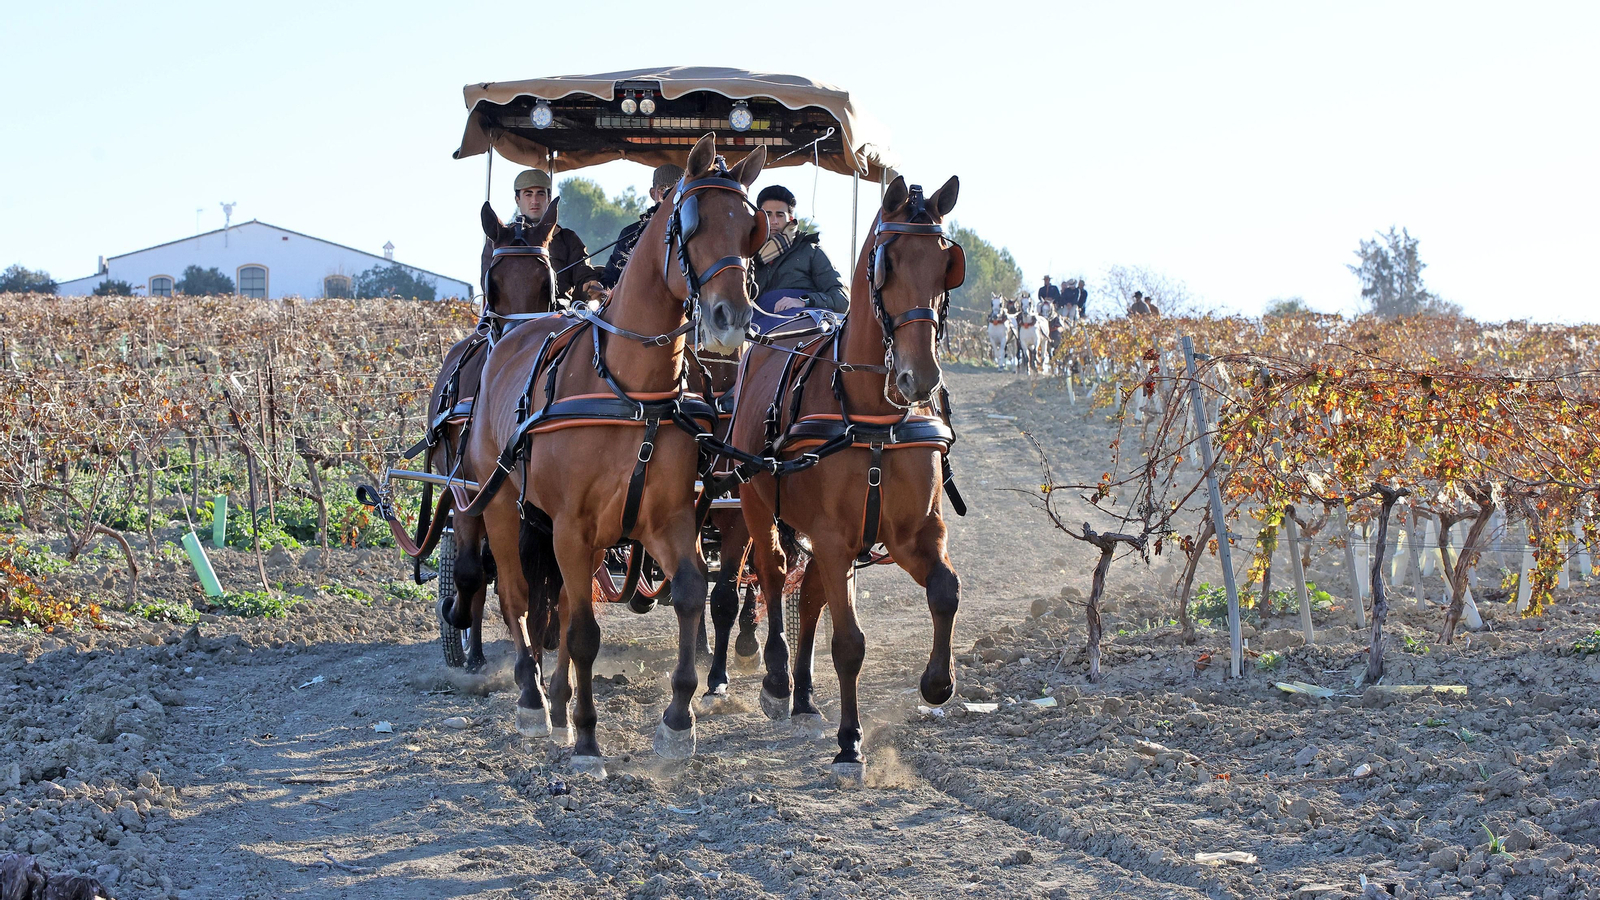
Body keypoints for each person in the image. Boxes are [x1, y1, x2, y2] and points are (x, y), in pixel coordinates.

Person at [481, 169, 603, 305]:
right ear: (517, 200)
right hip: (508, 315)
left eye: (540, 194)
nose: (534, 201)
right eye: (528, 194)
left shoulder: (566, 238)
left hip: (558, 316)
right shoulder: (500, 239)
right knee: (484, 326)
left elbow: (582, 269)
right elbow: (487, 282)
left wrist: (590, 282)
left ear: (548, 199)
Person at [750, 185, 847, 329]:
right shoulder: (747, 256)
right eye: (768, 214)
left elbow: (841, 299)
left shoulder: (810, 251)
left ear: (790, 218)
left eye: (780, 215)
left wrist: (802, 301)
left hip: (801, 331)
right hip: (756, 331)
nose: (774, 221)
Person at [599, 164, 684, 290]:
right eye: (663, 190)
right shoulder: (630, 234)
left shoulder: (694, 231)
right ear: (652, 193)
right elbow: (611, 279)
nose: (668, 196)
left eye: (674, 191)